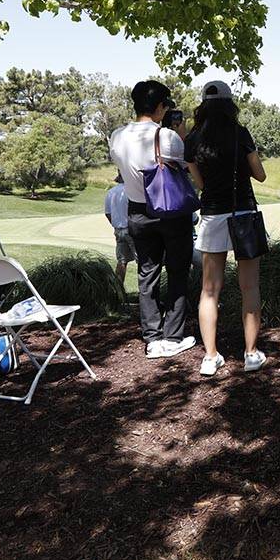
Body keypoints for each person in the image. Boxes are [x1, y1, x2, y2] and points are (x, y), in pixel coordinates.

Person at [184, 80, 268, 375]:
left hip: (212, 215)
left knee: (209, 290)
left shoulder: (192, 140)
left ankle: (210, 357)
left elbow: (202, 184)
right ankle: (251, 354)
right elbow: (260, 175)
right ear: (230, 104)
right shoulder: (240, 133)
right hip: (242, 211)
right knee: (250, 287)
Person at [109, 80, 196, 359]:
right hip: (170, 211)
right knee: (178, 270)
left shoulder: (117, 136)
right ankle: (173, 336)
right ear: (160, 107)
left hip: (137, 211)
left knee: (147, 273)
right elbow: (185, 170)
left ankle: (152, 337)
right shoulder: (168, 137)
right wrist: (180, 132)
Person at [104, 173, 133, 286]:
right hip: (131, 230)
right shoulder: (131, 192)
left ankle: (118, 291)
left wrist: (115, 224)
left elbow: (108, 213)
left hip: (118, 230)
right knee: (142, 262)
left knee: (122, 261)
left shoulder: (111, 192)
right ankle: (144, 295)